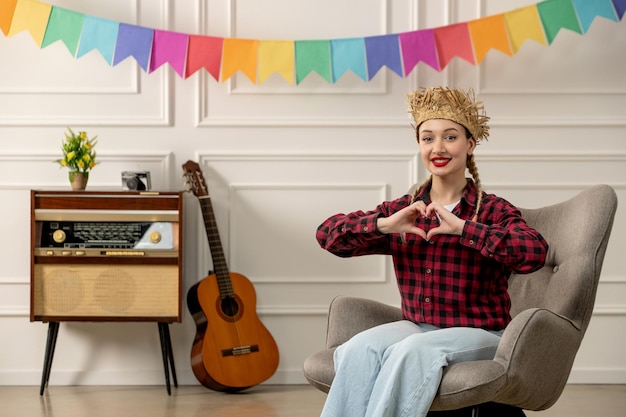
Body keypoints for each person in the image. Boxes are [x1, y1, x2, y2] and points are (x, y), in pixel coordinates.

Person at [315, 86, 549, 417]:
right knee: (359, 348)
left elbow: (535, 252)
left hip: (483, 333)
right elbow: (328, 235)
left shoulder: (493, 210)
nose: (437, 148)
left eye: (449, 137)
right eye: (427, 138)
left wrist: (464, 230)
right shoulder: (404, 210)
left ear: (469, 145)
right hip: (418, 326)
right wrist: (385, 224)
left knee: (411, 352)